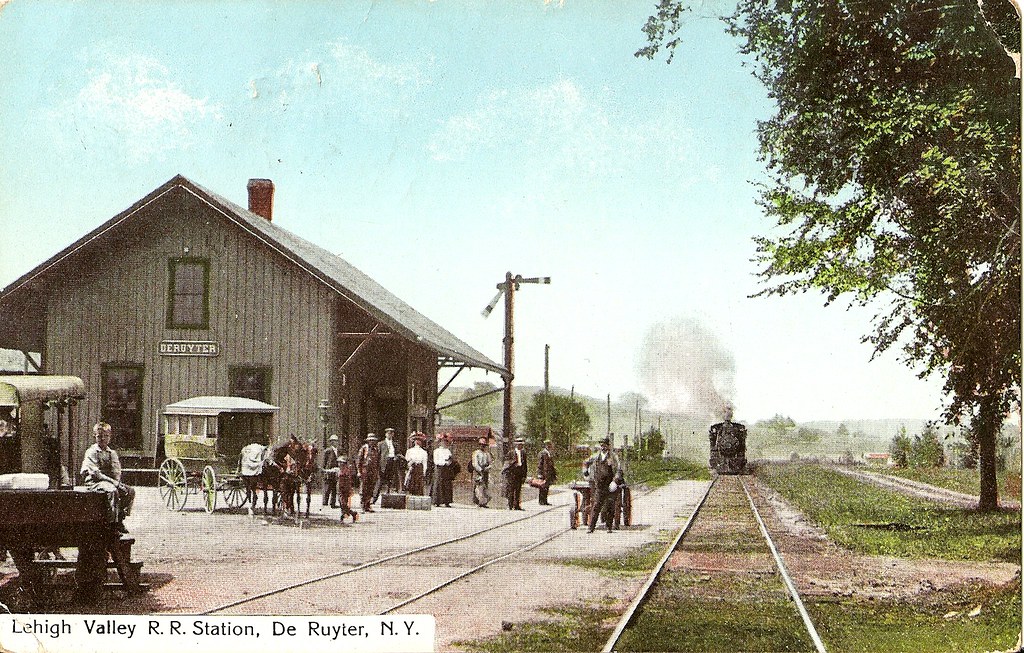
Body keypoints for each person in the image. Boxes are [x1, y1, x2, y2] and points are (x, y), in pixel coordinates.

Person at [80, 422, 135, 534]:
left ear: (110, 437)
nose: (103, 439)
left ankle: (120, 517)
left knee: (130, 491)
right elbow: (97, 474)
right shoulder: (91, 452)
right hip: (94, 482)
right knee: (112, 491)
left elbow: (116, 471)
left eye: (106, 436)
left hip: (109, 482)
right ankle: (112, 525)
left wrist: (117, 482)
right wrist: (114, 483)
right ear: (94, 437)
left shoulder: (111, 453)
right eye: (99, 436)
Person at [585, 437, 621, 534]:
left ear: (608, 446)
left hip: (610, 486)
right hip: (599, 486)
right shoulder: (596, 456)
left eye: (604, 445)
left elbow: (618, 470)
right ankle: (591, 527)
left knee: (610, 506)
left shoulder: (613, 457)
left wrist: (615, 481)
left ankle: (609, 527)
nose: (603, 447)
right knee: (596, 505)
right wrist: (585, 471)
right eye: (601, 445)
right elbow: (586, 462)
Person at [239, 436, 269, 514]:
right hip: (254, 467)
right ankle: (252, 503)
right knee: (251, 487)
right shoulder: (259, 448)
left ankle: (252, 503)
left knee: (250, 487)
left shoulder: (245, 448)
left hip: (245, 467)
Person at [356, 433, 380, 513]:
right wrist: (359, 471)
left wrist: (377, 472)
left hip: (373, 471)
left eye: (373, 441)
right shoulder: (364, 448)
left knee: (371, 488)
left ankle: (368, 505)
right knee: (363, 488)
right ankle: (363, 505)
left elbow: (377, 461)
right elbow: (359, 460)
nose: (372, 442)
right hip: (364, 470)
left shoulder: (376, 449)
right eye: (370, 441)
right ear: (368, 441)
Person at [502, 437, 528, 510]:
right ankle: (510, 505)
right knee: (511, 489)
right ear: (516, 445)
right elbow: (507, 462)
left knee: (518, 490)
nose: (521, 446)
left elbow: (525, 465)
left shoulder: (523, 453)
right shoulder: (511, 452)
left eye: (522, 444)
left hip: (519, 473)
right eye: (519, 444)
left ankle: (516, 505)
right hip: (512, 473)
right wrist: (513, 463)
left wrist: (524, 475)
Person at [432, 435, 455, 507]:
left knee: (447, 484)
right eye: (443, 442)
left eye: (445, 442)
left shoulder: (448, 451)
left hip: (447, 469)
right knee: (439, 483)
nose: (444, 443)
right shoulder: (436, 451)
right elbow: (436, 461)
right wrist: (444, 462)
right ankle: (437, 501)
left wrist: (449, 462)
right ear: (440, 443)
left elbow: (450, 459)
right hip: (439, 468)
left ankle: (447, 501)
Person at [377, 427, 399, 498]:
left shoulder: (395, 444)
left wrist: (396, 457)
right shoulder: (381, 444)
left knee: (390, 479)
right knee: (380, 480)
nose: (390, 435)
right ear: (385, 434)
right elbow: (378, 455)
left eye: (391, 433)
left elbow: (398, 453)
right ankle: (374, 497)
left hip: (392, 462)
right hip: (383, 464)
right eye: (388, 433)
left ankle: (388, 495)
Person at [471, 437, 493, 507]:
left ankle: (484, 502)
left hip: (485, 471)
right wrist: (480, 470)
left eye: (484, 445)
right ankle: (478, 502)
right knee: (478, 487)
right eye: (481, 445)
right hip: (478, 471)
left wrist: (487, 468)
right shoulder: (476, 453)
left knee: (485, 487)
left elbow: (490, 463)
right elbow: (475, 463)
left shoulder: (487, 454)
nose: (482, 446)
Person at [322, 435, 341, 509]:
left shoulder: (339, 450)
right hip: (329, 471)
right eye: (333, 441)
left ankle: (333, 503)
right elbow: (324, 462)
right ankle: (325, 502)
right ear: (331, 442)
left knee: (334, 488)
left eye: (336, 441)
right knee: (327, 487)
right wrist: (324, 470)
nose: (335, 442)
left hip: (336, 471)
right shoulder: (327, 451)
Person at [536, 439, 557, 506]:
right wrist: (539, 474)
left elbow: (551, 464)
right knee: (542, 487)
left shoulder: (549, 453)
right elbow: (540, 464)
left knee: (546, 487)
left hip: (548, 473)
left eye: (550, 444)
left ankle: (545, 500)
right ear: (545, 445)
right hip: (543, 473)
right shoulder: (542, 453)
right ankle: (541, 501)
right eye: (547, 444)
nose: (549, 446)